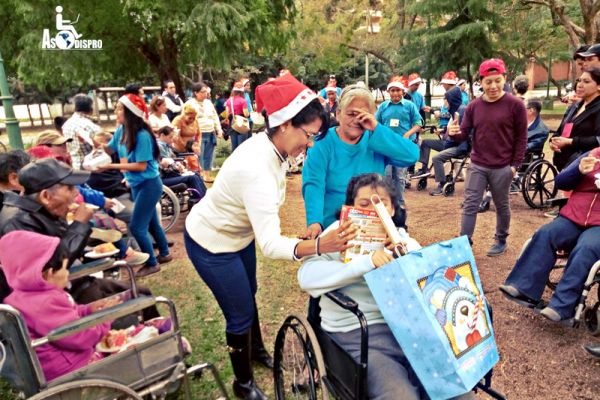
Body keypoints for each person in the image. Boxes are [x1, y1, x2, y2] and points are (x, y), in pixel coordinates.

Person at [184, 74, 357, 400]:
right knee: (239, 313)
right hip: (211, 244)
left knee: (249, 293)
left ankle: (256, 351)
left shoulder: (273, 150)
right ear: (284, 125)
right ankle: (243, 385)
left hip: (237, 236)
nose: (310, 144)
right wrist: (320, 246)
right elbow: (270, 244)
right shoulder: (257, 168)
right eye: (308, 135)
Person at [298, 173, 474, 400]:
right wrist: (365, 264)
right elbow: (306, 277)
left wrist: (407, 256)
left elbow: (431, 288)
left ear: (391, 210)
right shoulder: (336, 234)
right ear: (350, 207)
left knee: (459, 392)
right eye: (364, 204)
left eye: (381, 204)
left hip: (407, 330)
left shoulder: (404, 240)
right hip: (356, 331)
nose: (374, 211)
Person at [302, 84, 420, 239]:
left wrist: (377, 128)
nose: (356, 120)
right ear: (338, 114)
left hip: (372, 225)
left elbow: (411, 156)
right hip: (334, 225)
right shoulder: (322, 142)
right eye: (351, 113)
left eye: (363, 115)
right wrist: (315, 222)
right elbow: (314, 184)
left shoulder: (376, 139)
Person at [0, 231, 120, 381]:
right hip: (73, 368)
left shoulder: (22, 296)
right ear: (50, 272)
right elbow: (81, 338)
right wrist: (106, 318)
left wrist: (89, 310)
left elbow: (67, 316)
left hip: (54, 366)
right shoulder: (45, 302)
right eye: (64, 268)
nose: (68, 273)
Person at [499, 148, 600, 323]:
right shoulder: (593, 154)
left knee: (586, 248)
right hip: (574, 216)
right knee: (546, 233)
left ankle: (562, 307)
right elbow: (561, 182)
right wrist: (578, 171)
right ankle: (523, 287)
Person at [448, 58, 527, 256]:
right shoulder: (474, 106)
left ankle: (501, 239)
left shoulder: (515, 105)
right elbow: (463, 134)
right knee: (470, 204)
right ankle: (464, 242)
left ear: (504, 79)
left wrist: (514, 166)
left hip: (503, 166)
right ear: (481, 82)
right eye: (488, 81)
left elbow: (521, 138)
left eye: (497, 80)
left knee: (501, 204)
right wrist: (452, 132)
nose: (493, 86)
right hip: (478, 164)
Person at [99, 93, 172, 276]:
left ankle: (152, 263)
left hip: (149, 184)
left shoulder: (142, 135)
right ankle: (164, 253)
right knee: (152, 222)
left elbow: (141, 166)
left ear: (130, 112)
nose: (117, 111)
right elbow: (110, 149)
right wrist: (97, 147)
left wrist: (111, 165)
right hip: (136, 184)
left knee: (137, 226)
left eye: (120, 108)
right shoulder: (121, 131)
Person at [375, 77, 421, 207]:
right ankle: (388, 202)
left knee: (400, 177)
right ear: (389, 92)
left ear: (403, 92)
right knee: (387, 175)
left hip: (402, 146)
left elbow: (418, 123)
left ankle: (400, 203)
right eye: (392, 90)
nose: (395, 93)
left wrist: (408, 134)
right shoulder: (383, 107)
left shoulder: (409, 106)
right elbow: (376, 124)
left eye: (398, 90)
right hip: (387, 146)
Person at [413, 87, 468, 196]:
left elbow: (461, 132)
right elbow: (453, 129)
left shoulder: (461, 112)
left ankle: (442, 184)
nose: (444, 101)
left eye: (445, 99)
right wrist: (443, 131)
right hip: (450, 142)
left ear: (451, 99)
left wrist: (448, 136)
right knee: (426, 141)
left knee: (437, 158)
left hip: (459, 146)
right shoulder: (455, 111)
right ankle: (424, 168)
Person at [550, 68, 600, 172]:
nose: (580, 85)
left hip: (585, 167)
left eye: (586, 81)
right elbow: (560, 130)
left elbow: (598, 139)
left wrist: (570, 142)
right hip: (564, 163)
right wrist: (553, 141)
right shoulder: (574, 106)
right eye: (579, 80)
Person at [157, 126, 207, 202]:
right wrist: (178, 166)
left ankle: (204, 198)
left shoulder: (166, 146)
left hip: (169, 174)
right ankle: (201, 200)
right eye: (170, 137)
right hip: (163, 178)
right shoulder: (159, 146)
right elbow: (164, 162)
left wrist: (178, 166)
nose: (172, 140)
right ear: (162, 135)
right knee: (192, 177)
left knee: (195, 174)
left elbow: (172, 159)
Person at [62, 94, 100, 170]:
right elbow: (101, 148)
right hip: (92, 168)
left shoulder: (66, 124)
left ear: (75, 108)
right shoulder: (91, 127)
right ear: (91, 108)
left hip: (76, 166)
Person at [226, 81, 250, 151]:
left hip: (233, 124)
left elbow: (227, 114)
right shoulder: (243, 101)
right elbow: (246, 114)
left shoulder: (229, 101)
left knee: (234, 146)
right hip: (242, 124)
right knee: (242, 146)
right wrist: (249, 114)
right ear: (242, 91)